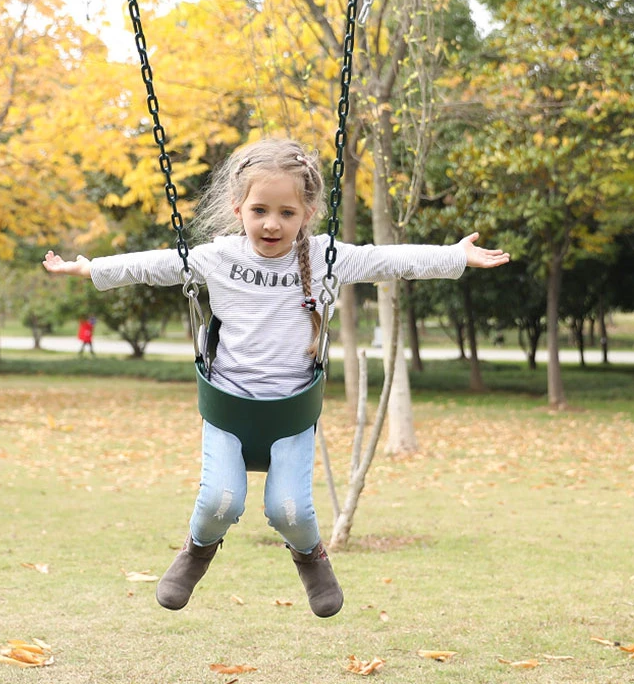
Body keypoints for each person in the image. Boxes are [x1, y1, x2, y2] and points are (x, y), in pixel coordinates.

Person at [42, 137, 510, 618]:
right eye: (260, 209)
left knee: (290, 510)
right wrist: (90, 267)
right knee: (220, 502)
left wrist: (453, 257)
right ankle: (196, 552)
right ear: (237, 206)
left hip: (291, 411)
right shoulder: (218, 257)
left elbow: (388, 259)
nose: (272, 223)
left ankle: (311, 558)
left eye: (287, 213)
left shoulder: (327, 257)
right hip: (229, 404)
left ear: (307, 213)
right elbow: (153, 265)